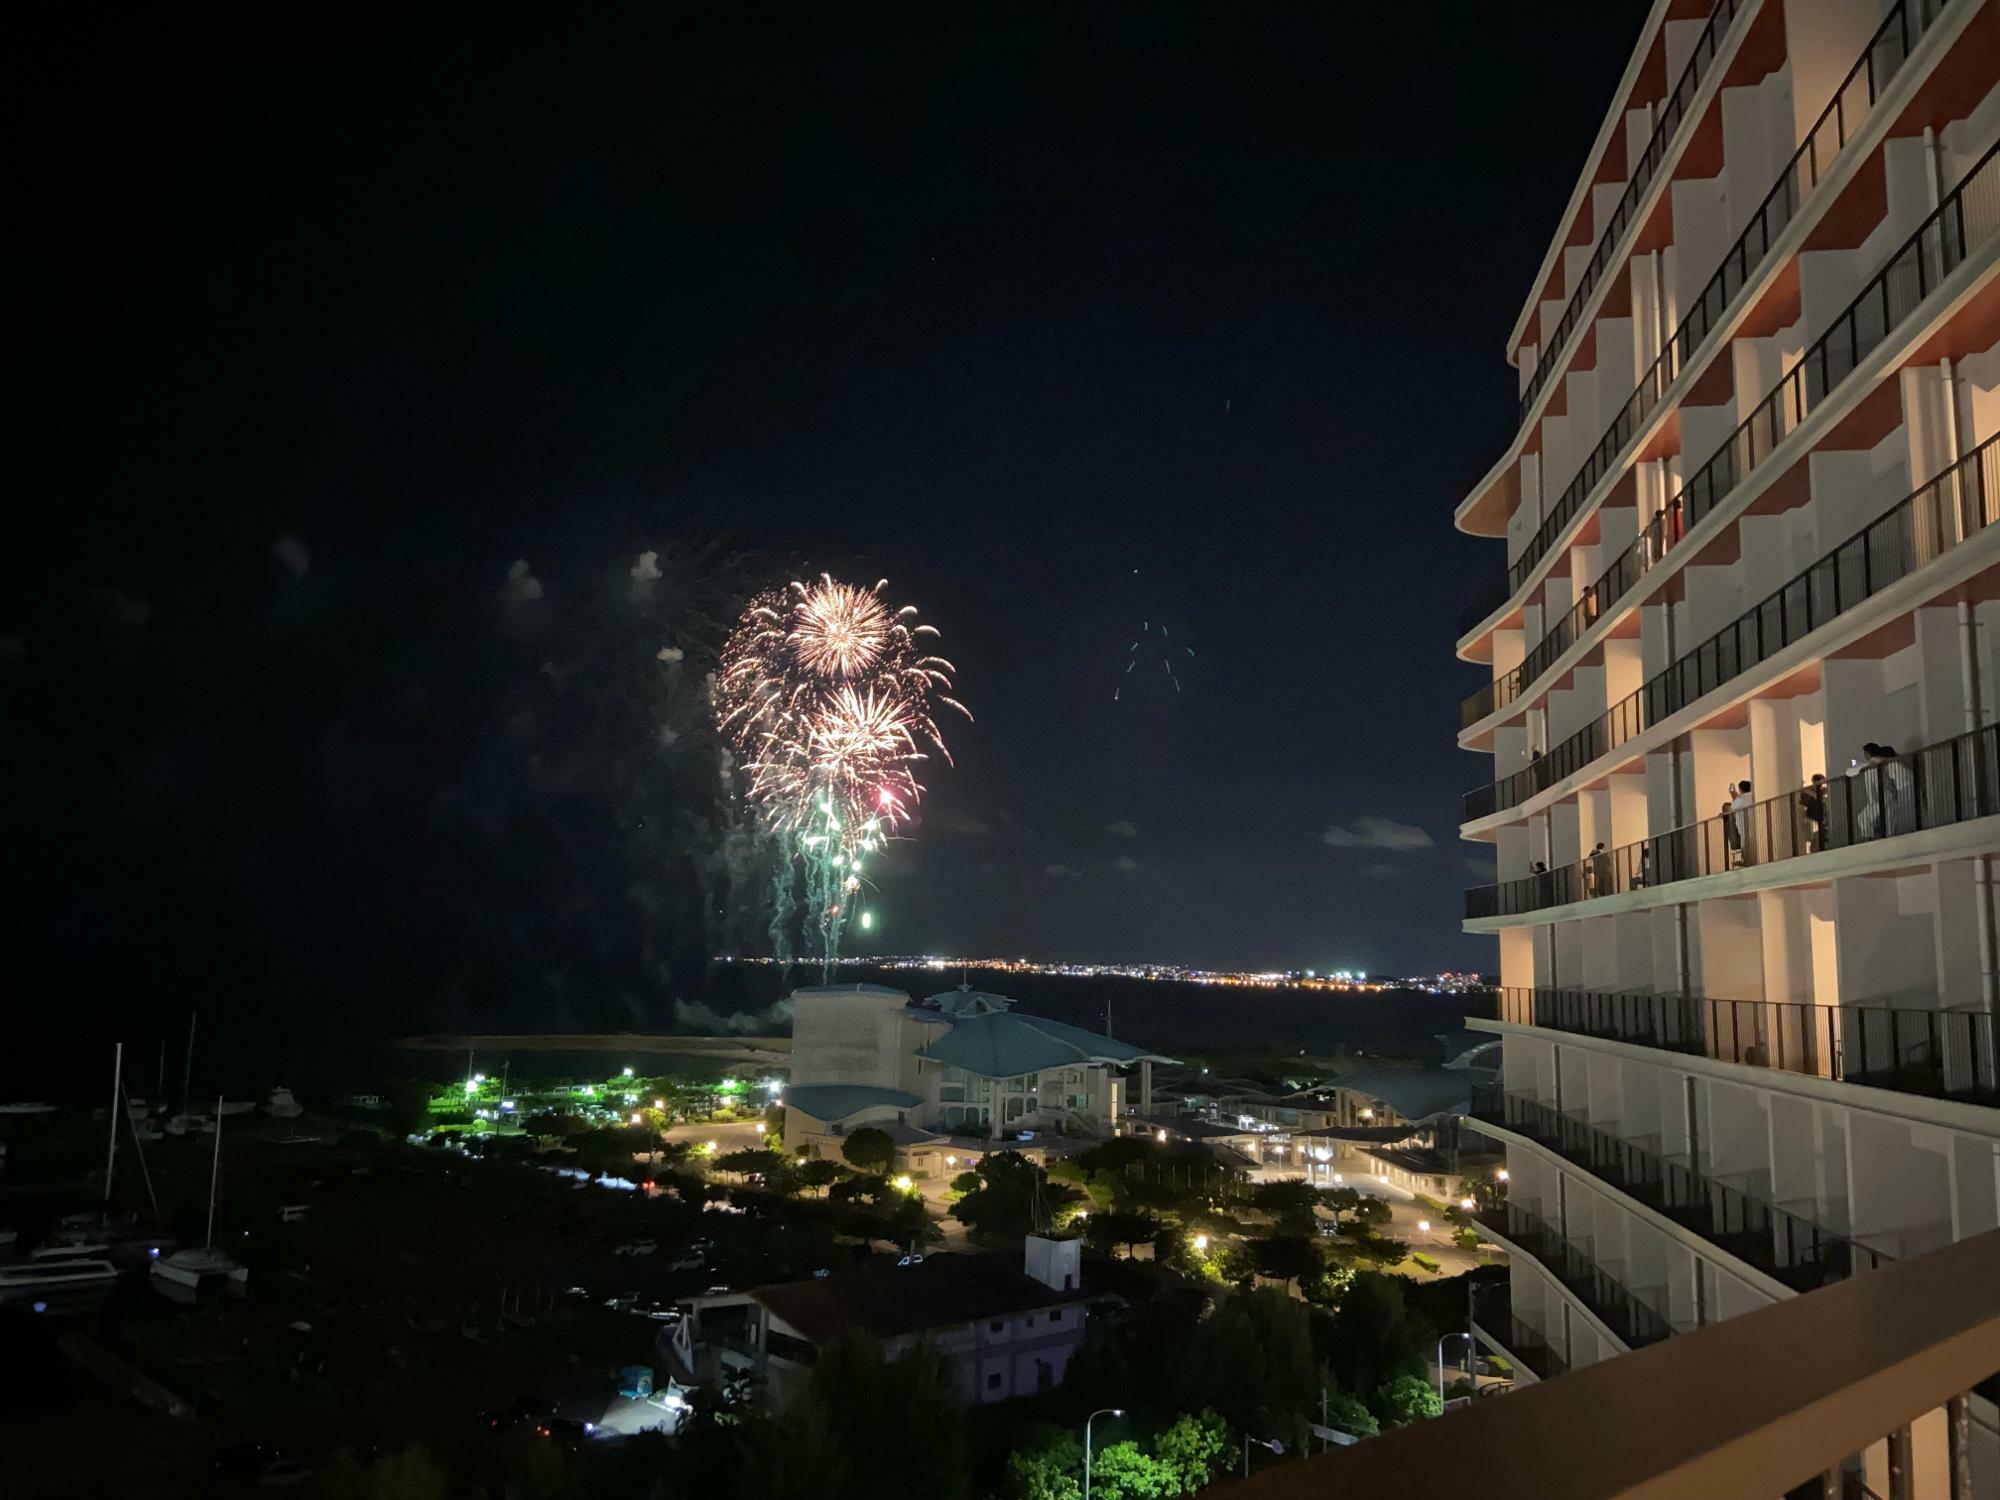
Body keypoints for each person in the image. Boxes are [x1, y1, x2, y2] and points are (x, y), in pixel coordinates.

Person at [1800, 773, 1828, 852]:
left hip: (1822, 819)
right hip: (1812, 819)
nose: (1822, 786)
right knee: (1814, 837)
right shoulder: (1808, 793)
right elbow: (1804, 804)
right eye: (1821, 783)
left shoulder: (1824, 792)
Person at [1732, 779, 1756, 865]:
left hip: (1745, 829)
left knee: (1746, 849)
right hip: (1755, 827)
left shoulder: (1741, 799)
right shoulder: (1754, 796)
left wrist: (1734, 797)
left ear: (1741, 789)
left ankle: (1746, 862)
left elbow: (1733, 807)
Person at [1721, 796, 1742, 867]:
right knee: (1734, 852)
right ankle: (1734, 863)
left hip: (1736, 837)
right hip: (1734, 838)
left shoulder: (1733, 815)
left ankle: (1735, 863)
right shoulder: (1728, 817)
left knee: (1736, 851)